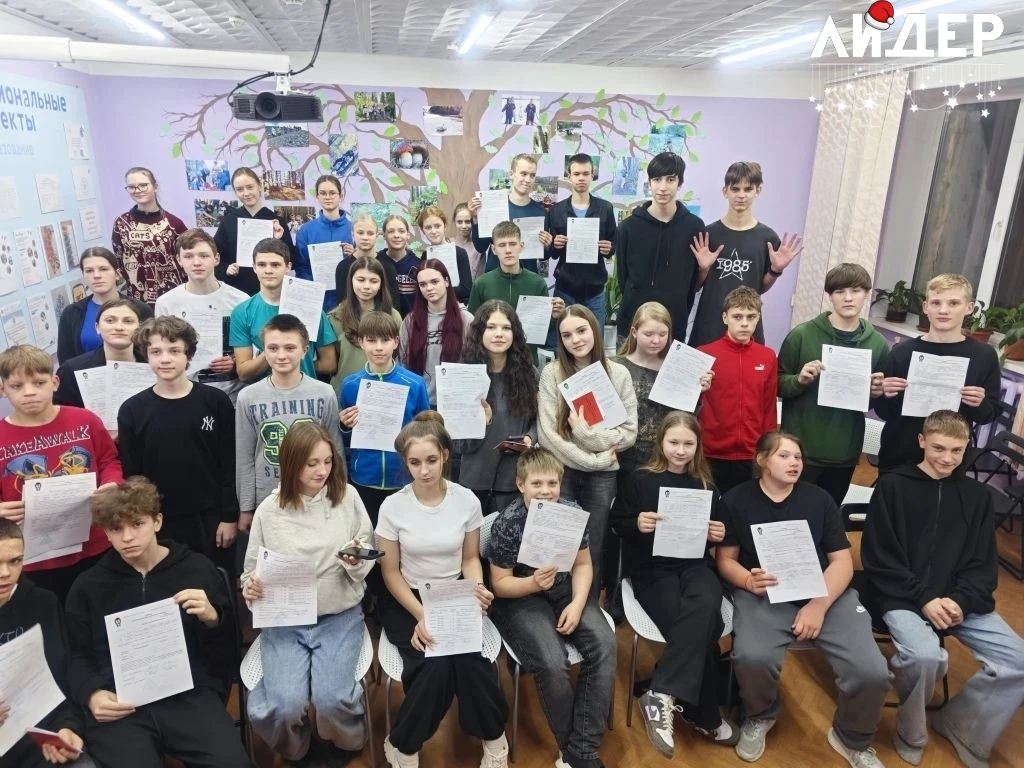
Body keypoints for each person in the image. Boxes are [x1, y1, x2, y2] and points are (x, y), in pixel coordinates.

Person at [715, 431, 890, 767]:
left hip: (824, 592)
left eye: (797, 456)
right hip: (765, 594)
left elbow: (842, 562)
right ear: (762, 460)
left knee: (872, 671)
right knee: (752, 657)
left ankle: (852, 738)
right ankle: (760, 714)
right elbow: (725, 560)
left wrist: (818, 606)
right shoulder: (735, 501)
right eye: (784, 456)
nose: (794, 462)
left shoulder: (819, 499)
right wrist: (748, 580)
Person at [861, 410, 1024, 768]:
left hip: (959, 599)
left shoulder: (977, 496)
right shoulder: (892, 487)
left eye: (956, 450)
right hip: (903, 596)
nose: (947, 458)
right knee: (924, 657)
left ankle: (962, 726)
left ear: (967, 448)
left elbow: (982, 562)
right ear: (922, 441)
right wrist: (924, 598)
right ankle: (911, 733)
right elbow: (880, 558)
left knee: (1019, 660)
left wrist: (960, 600)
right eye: (938, 448)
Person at [64, 478, 253, 768]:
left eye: (137, 524)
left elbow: (227, 650)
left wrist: (214, 618)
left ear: (157, 522)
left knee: (232, 763)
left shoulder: (196, 569)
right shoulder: (88, 586)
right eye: (116, 529)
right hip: (120, 702)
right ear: (106, 533)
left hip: (187, 694)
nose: (127, 537)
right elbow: (76, 654)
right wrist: (92, 693)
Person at [375, 412, 509, 768]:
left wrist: (477, 588)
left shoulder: (466, 500)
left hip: (453, 594)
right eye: (415, 463)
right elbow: (390, 572)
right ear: (405, 462)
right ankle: (405, 746)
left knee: (469, 663)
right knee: (435, 667)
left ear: (445, 456)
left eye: (431, 460)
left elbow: (470, 558)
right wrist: (422, 615)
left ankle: (494, 739)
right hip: (408, 598)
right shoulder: (393, 506)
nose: (424, 471)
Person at [242, 422, 374, 765]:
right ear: (291, 464)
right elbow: (250, 573)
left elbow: (366, 554)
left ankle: (346, 744)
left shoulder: (347, 497)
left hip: (338, 616)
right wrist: (251, 587)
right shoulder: (269, 510)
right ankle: (296, 749)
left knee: (332, 699)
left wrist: (355, 559)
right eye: (312, 463)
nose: (322, 471)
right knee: (285, 704)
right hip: (285, 621)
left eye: (327, 461)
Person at [611, 412, 739, 757]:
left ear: (698, 446)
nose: (680, 450)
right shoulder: (640, 479)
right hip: (653, 571)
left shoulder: (706, 486)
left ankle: (661, 692)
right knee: (703, 627)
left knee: (707, 601)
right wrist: (637, 523)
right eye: (674, 442)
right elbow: (617, 524)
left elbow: (722, 530)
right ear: (661, 443)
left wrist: (719, 533)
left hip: (695, 566)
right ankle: (704, 715)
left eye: (688, 444)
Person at [486, 447, 615, 768]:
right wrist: (532, 584)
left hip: (564, 587)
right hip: (520, 595)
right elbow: (499, 584)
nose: (545, 491)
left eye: (552, 484)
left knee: (605, 644)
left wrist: (578, 603)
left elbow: (583, 565)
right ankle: (577, 752)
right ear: (520, 485)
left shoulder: (571, 513)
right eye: (536, 484)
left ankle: (579, 750)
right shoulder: (508, 523)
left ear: (560, 483)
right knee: (552, 660)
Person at [0, 345, 122, 604]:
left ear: (54, 383)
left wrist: (112, 483)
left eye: (39, 382)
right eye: (17, 386)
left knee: (99, 610)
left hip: (94, 543)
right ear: (3, 390)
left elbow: (109, 460)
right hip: (33, 556)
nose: (29, 392)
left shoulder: (85, 420)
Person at [117, 317, 239, 573]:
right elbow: (133, 477)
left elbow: (230, 463)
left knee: (215, 581)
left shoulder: (215, 401)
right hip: (161, 521)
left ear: (189, 355)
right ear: (146, 356)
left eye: (174, 351)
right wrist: (143, 522)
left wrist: (229, 517)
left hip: (211, 518)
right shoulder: (132, 410)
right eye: (156, 352)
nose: (165, 359)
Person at [538, 305, 637, 599]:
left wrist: (585, 434)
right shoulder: (552, 373)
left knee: (593, 546)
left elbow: (629, 433)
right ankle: (557, 605)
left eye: (581, 331)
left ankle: (589, 607)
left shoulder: (618, 373)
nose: (576, 340)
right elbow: (548, 435)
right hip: (564, 472)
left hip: (603, 477)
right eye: (567, 335)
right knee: (560, 543)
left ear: (594, 329)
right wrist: (594, 459)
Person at [777, 263, 889, 505]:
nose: (848, 298)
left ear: (866, 294)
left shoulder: (878, 344)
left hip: (844, 452)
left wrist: (876, 393)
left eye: (855, 291)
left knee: (828, 514)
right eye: (840, 291)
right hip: (800, 450)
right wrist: (799, 380)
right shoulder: (802, 335)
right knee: (792, 514)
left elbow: (875, 403)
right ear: (830, 295)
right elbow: (776, 384)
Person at [876, 274, 1001, 472]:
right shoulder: (902, 352)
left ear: (969, 308)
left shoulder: (984, 356)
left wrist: (980, 404)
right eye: (936, 303)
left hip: (949, 462)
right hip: (900, 456)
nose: (943, 310)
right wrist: (885, 395)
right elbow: (884, 412)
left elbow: (989, 414)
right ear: (926, 307)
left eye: (953, 303)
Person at [0, 519, 96, 768]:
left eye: (15, 561)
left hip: (39, 738)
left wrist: (68, 727)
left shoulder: (43, 603)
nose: (5, 573)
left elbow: (60, 678)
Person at [235, 314, 343, 533]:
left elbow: (336, 450)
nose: (281, 355)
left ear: (305, 350)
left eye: (290, 348)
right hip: (268, 498)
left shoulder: (324, 393)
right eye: (273, 348)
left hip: (316, 496)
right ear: (263, 350)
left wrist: (339, 492)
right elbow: (244, 456)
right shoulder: (248, 397)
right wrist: (246, 507)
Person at [687, 162, 803, 348]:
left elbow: (759, 287)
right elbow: (695, 286)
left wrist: (775, 270)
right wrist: (703, 269)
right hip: (708, 326)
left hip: (747, 326)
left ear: (758, 191)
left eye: (748, 189)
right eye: (735, 189)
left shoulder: (767, 238)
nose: (741, 195)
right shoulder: (708, 235)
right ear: (725, 191)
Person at [339, 312, 430, 528]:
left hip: (404, 477)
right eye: (371, 341)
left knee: (404, 535)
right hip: (364, 477)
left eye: (385, 340)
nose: (379, 347)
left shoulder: (414, 383)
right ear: (361, 342)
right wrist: (345, 425)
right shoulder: (350, 385)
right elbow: (346, 438)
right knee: (368, 535)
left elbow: (427, 432)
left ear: (396, 342)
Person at [615, 152, 707, 345]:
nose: (663, 187)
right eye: (657, 180)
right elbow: (624, 279)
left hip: (674, 327)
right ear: (649, 183)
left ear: (680, 184)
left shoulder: (694, 227)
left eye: (670, 179)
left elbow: (692, 284)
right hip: (632, 326)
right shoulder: (628, 227)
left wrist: (704, 269)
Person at [456, 300, 538, 514]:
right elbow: (457, 445)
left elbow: (537, 420)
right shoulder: (463, 376)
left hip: (515, 480)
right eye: (491, 327)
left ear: (515, 333)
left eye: (506, 328)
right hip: (474, 481)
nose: (499, 334)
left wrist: (530, 437)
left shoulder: (529, 373)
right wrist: (480, 424)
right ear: (479, 332)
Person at [697, 286, 777, 495]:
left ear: (758, 318)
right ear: (725, 318)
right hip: (710, 451)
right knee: (710, 507)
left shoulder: (767, 357)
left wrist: (768, 450)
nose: (744, 323)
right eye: (737, 316)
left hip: (751, 453)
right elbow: (688, 405)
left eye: (751, 317)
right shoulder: (704, 354)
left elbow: (769, 408)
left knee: (744, 508)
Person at [155, 228, 248, 403]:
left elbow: (254, 349)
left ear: (216, 259)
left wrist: (236, 361)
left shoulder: (240, 300)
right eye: (188, 256)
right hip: (187, 395)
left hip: (233, 394)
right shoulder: (166, 303)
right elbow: (163, 350)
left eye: (204, 256)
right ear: (179, 260)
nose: (196, 262)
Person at [229, 238, 338, 382]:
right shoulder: (242, 312)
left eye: (275, 265)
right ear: (254, 267)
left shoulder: (310, 305)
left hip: (305, 390)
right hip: (265, 393)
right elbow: (244, 373)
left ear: (288, 266)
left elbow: (329, 364)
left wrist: (295, 364)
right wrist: (274, 349)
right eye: (262, 265)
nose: (268, 270)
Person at [467, 221, 565, 361]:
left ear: (521, 246)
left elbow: (543, 329)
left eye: (512, 244)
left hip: (526, 360)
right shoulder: (481, 284)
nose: (508, 250)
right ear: (494, 249)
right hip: (492, 360)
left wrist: (555, 317)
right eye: (502, 245)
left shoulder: (537, 283)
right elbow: (474, 327)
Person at [545, 153, 617, 327]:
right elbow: (552, 253)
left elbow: (614, 244)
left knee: (596, 338)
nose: (581, 178)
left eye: (586, 173)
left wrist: (609, 248)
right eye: (576, 174)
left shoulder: (605, 208)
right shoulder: (556, 210)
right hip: (565, 287)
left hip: (595, 290)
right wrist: (555, 244)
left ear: (592, 175)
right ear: (569, 176)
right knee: (563, 336)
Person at [57, 247, 152, 364]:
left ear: (117, 274)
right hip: (87, 374)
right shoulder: (71, 313)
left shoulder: (141, 309)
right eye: (89, 271)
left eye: (103, 269)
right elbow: (66, 359)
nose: (96, 275)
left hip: (133, 373)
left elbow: (151, 350)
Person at [399, 259, 474, 406]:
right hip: (421, 404)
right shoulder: (410, 321)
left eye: (434, 282)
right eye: (423, 284)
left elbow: (473, 364)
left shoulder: (466, 320)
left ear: (446, 281)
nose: (429, 288)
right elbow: (403, 364)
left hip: (456, 404)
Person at [110, 167, 187, 305]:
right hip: (137, 299)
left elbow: (187, 259)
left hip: (172, 297)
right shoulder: (121, 224)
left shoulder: (174, 223)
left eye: (143, 185)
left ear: (155, 186)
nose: (137, 190)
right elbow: (118, 259)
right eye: (132, 187)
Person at [214, 167, 296, 296]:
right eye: (240, 189)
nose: (246, 193)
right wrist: (225, 269)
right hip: (237, 291)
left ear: (259, 186)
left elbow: (292, 261)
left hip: (271, 292)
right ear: (235, 192)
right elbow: (215, 257)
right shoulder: (228, 222)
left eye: (250, 187)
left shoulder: (276, 221)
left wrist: (279, 240)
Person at [56, 299, 148, 410]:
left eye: (128, 321)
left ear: (139, 327)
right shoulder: (71, 370)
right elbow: (62, 412)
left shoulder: (153, 366)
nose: (119, 327)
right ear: (97, 327)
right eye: (110, 321)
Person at [329, 254, 402, 390]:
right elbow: (331, 361)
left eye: (374, 281)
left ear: (381, 284)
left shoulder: (393, 316)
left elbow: (398, 357)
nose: (366, 286)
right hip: (345, 390)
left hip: (383, 390)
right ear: (351, 281)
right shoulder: (335, 317)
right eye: (361, 280)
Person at [468, 154, 551, 273]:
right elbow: (481, 247)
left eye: (532, 175)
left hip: (527, 278)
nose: (528, 180)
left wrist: (547, 246)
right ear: (511, 174)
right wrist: (476, 219)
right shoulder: (495, 207)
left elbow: (543, 257)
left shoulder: (541, 212)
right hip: (496, 278)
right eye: (523, 174)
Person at [296, 174, 353, 311]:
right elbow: (301, 267)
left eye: (332, 193)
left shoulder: (353, 229)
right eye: (323, 193)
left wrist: (355, 255)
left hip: (348, 300)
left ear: (341, 196)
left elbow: (364, 265)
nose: (328, 197)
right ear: (317, 197)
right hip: (317, 301)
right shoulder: (306, 230)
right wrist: (315, 287)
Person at [334, 213, 401, 314]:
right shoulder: (343, 267)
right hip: (351, 320)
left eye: (370, 233)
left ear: (377, 235)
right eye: (360, 233)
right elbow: (342, 303)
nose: (365, 237)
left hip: (381, 320)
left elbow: (394, 304)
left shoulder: (387, 266)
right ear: (353, 234)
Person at [416, 206, 473, 304]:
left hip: (457, 306)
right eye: (428, 228)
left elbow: (466, 289)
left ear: (445, 226)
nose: (433, 231)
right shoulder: (425, 256)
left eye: (437, 226)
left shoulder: (459, 253)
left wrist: (438, 291)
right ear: (423, 231)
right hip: (433, 307)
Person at [379, 215, 423, 317]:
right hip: (383, 322)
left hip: (412, 321)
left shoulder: (418, 264)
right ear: (384, 235)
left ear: (408, 235)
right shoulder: (376, 262)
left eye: (401, 231)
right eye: (391, 231)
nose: (396, 235)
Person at [452, 203, 484, 279]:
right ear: (454, 222)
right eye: (459, 222)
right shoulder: (448, 244)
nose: (464, 226)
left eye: (468, 222)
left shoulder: (479, 247)